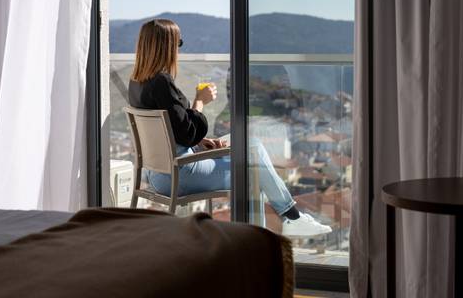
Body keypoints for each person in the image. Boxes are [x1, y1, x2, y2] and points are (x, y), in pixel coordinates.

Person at [128, 19, 331, 237]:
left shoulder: (136, 82)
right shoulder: (162, 82)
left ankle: (288, 220)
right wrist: (200, 102)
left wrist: (198, 142)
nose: (179, 49)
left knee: (247, 143)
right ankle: (275, 229)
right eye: (179, 43)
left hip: (157, 173)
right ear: (167, 46)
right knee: (253, 168)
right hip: (179, 174)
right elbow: (186, 132)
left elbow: (174, 131)